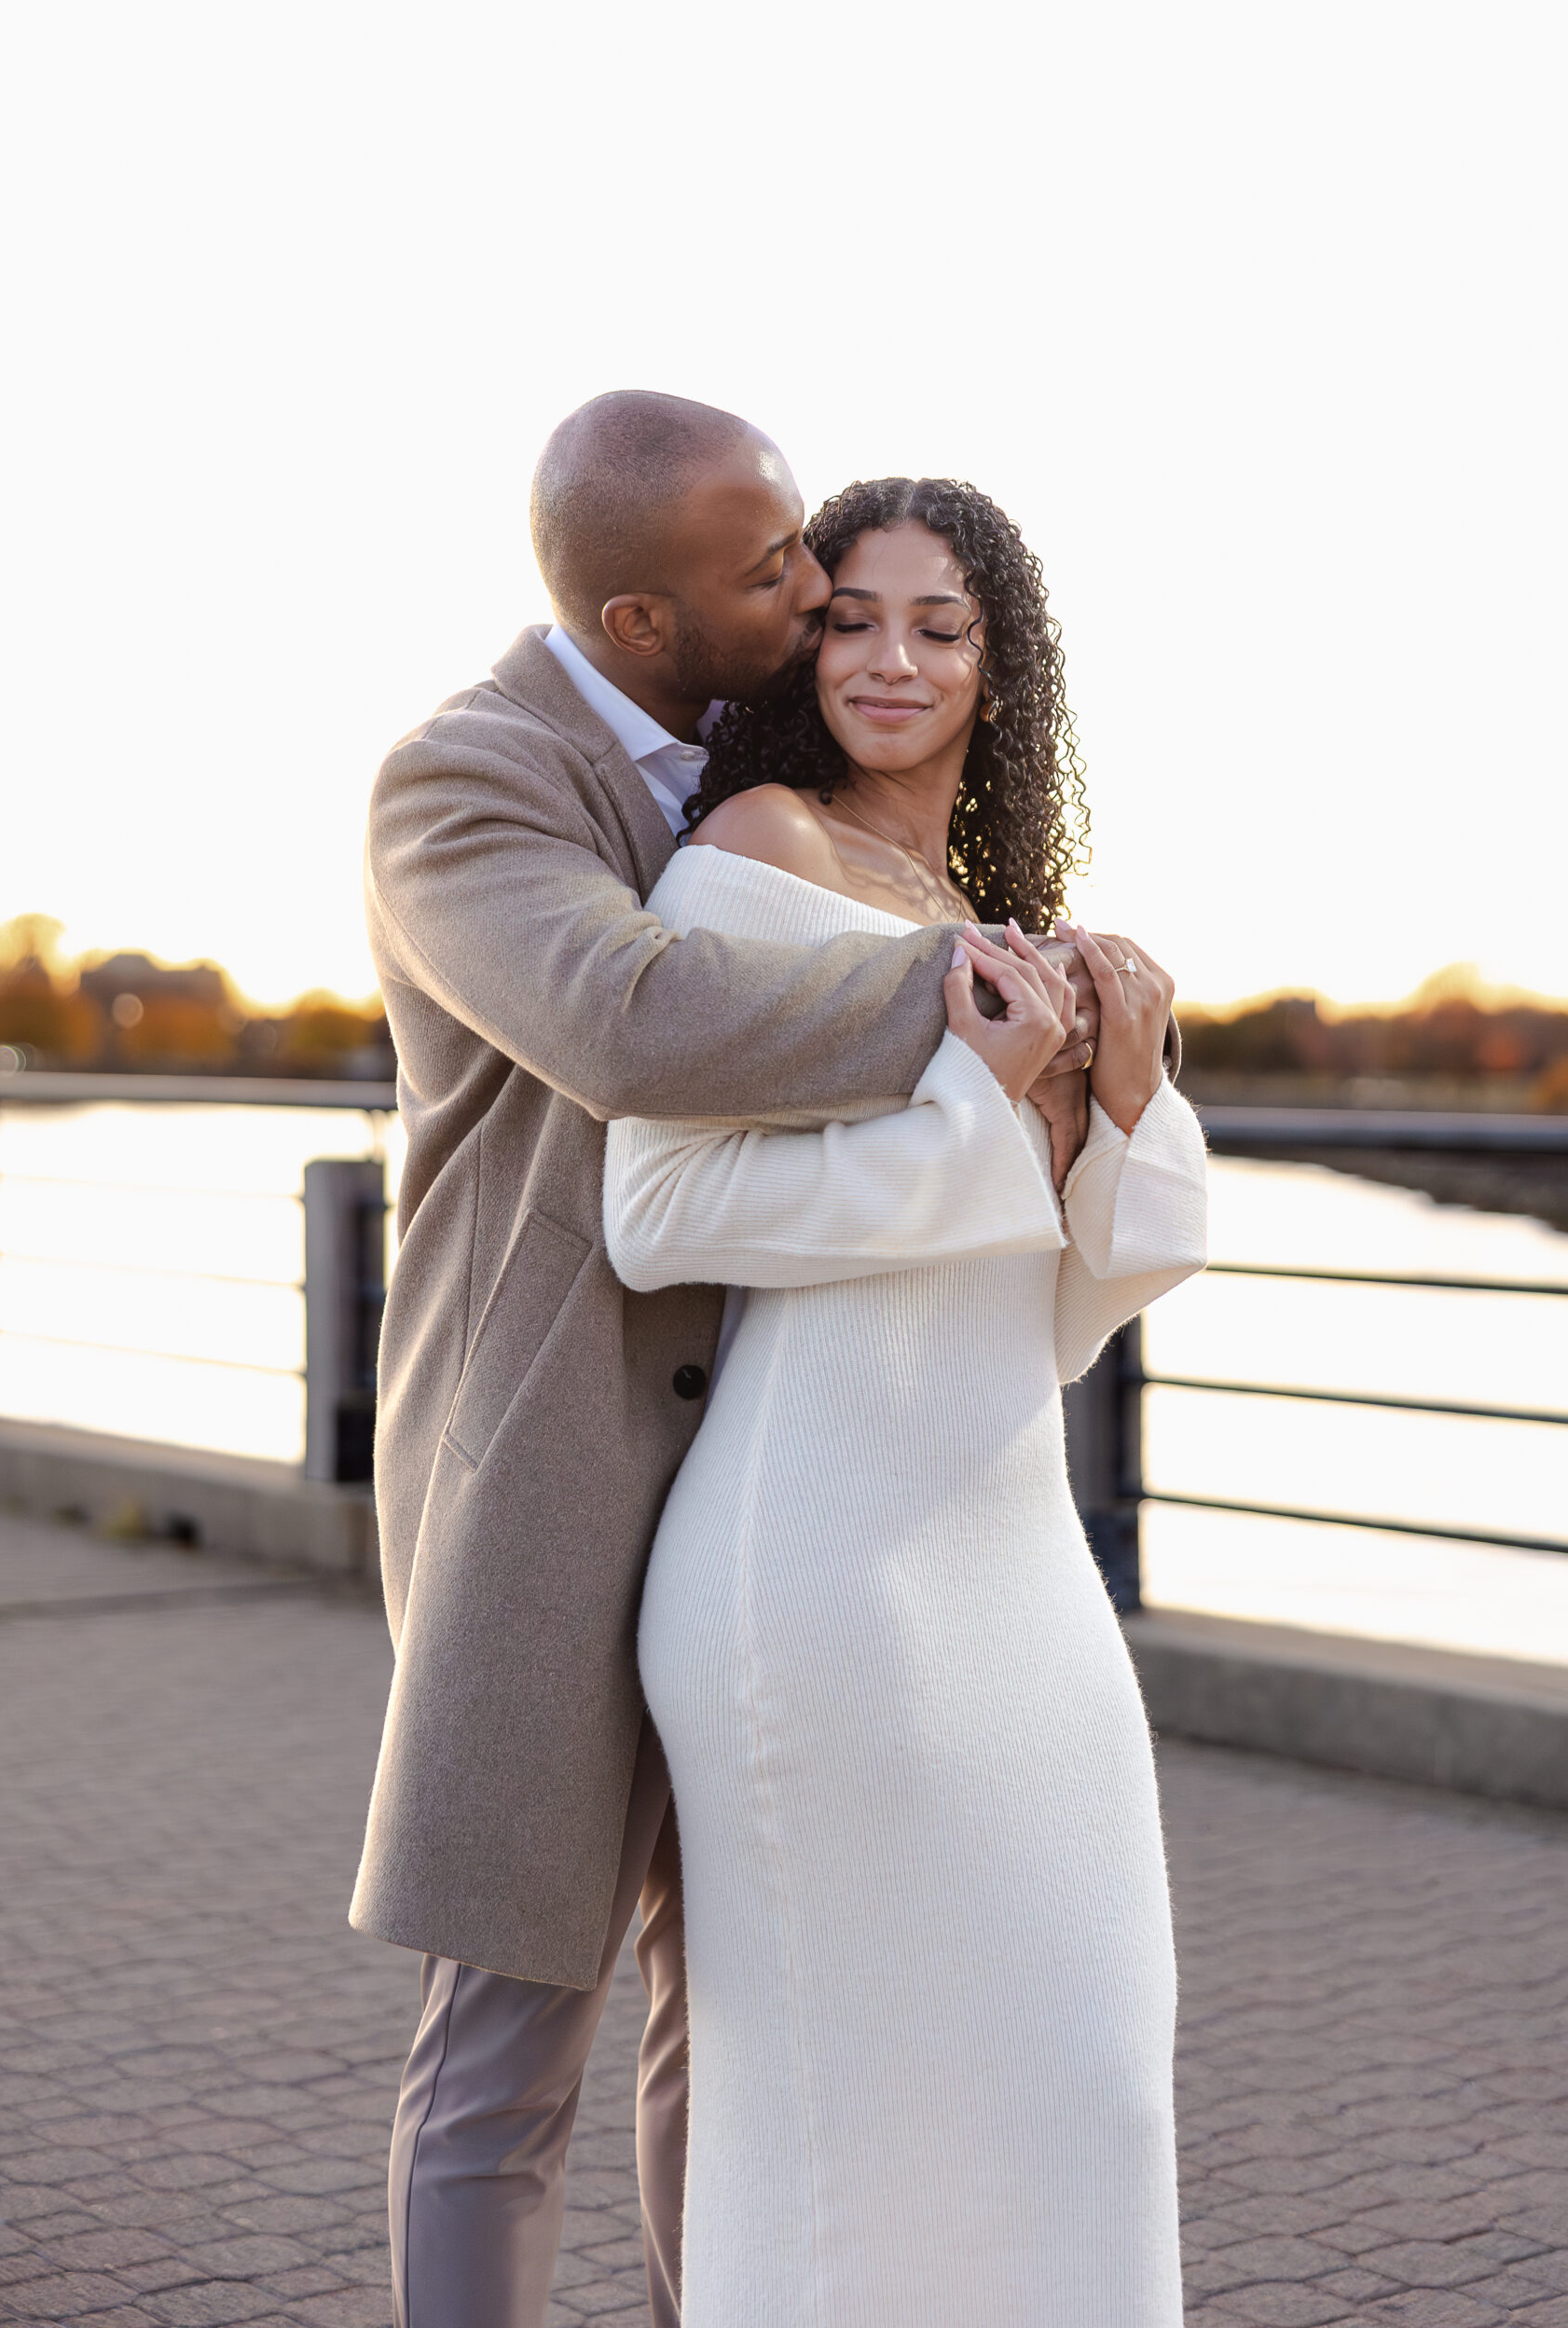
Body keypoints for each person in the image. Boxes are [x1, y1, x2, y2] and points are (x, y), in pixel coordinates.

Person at [351, 397, 1116, 2327]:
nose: (807, 598)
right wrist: (984, 982)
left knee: (734, 2019)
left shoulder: (726, 760)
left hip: (760, 1485)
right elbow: (629, 1019)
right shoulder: (464, 780)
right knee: (505, 2044)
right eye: (770, 570)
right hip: (551, 1460)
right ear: (633, 615)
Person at [603, 477, 1207, 2325]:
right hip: (818, 1566)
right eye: (849, 617)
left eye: (937, 625)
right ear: (801, 649)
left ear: (995, 669)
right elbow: (654, 1211)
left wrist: (1109, 1089)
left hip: (1010, 1556)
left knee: (1080, 2077)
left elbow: (1042, 1309)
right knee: (840, 2115)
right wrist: (978, 1110)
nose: (889, 656)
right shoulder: (744, 860)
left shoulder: (984, 914)